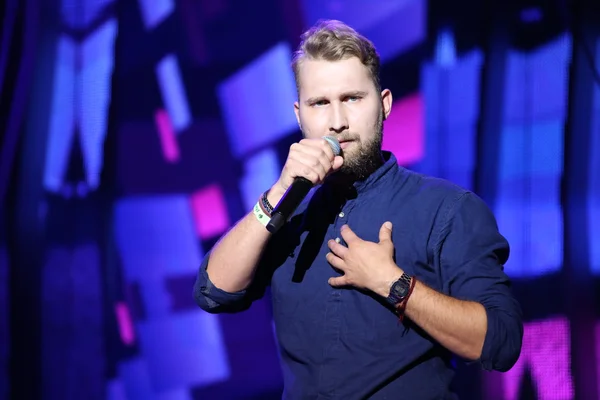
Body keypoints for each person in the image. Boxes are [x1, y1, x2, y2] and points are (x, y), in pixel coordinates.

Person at [194, 19, 523, 399]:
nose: (337, 122)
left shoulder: (447, 208)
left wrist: (394, 284)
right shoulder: (287, 217)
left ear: (383, 105)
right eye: (321, 104)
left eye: (352, 98)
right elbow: (213, 292)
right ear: (300, 115)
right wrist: (280, 191)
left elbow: (500, 342)